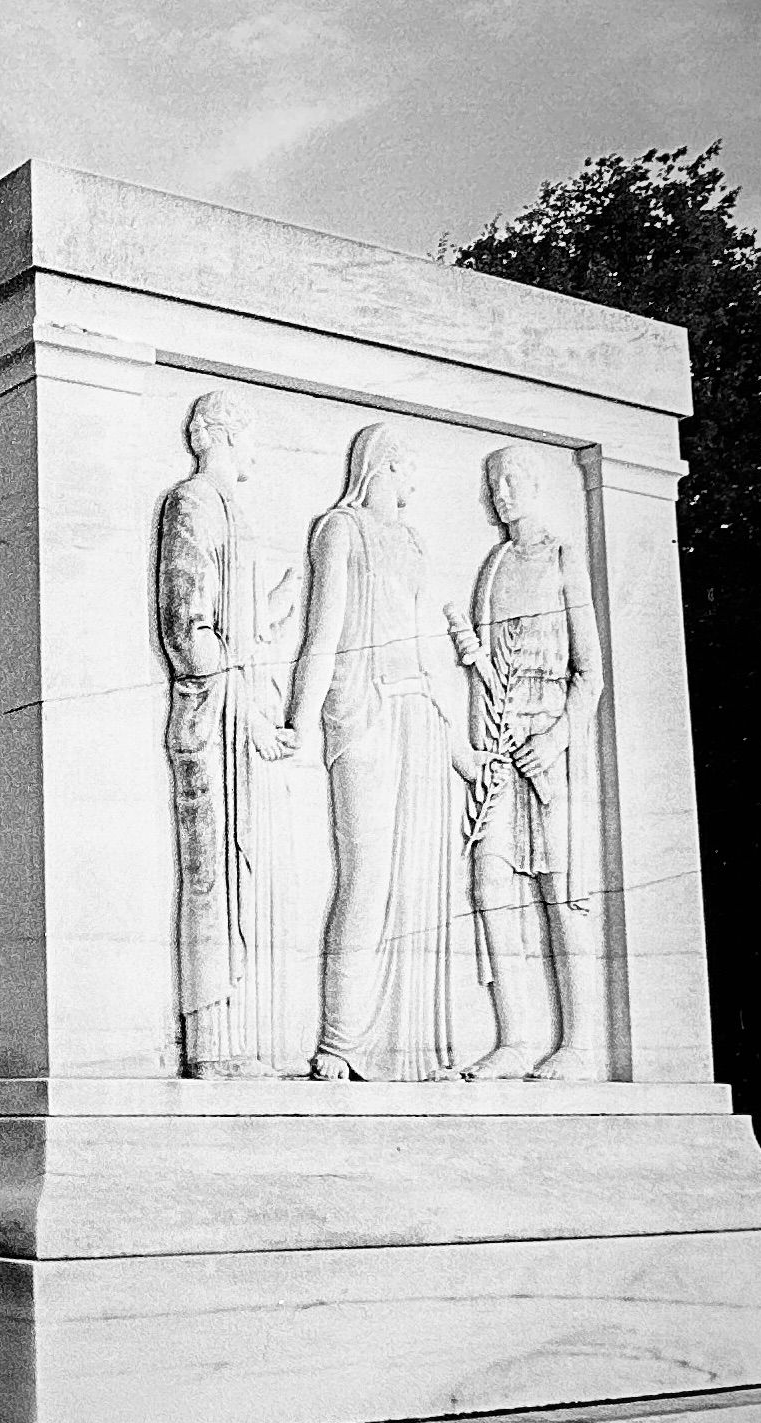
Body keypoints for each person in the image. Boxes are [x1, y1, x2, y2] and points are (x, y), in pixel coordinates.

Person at [283, 423, 473, 1081]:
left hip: (418, 715)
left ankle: (409, 1050)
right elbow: (324, 629)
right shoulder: (340, 529)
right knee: (363, 877)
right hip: (361, 710)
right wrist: (298, 720)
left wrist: (460, 751)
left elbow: (424, 645)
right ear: (383, 465)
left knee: (416, 881)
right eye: (406, 468)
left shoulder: (413, 541)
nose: (413, 482)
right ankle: (338, 1041)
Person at [156, 392, 302, 1076]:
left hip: (240, 712)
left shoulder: (230, 509)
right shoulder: (191, 501)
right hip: (211, 719)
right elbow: (188, 628)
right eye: (248, 434)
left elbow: (240, 627)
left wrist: (280, 601)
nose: (255, 449)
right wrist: (244, 706)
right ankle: (211, 1043)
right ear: (221, 434)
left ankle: (244, 1035)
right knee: (210, 874)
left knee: (242, 871)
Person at [453, 447, 605, 1078]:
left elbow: (589, 672)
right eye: (494, 485)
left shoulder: (562, 558)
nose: (502, 494)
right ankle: (516, 1037)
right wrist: (482, 746)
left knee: (558, 893)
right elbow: (480, 677)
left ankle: (580, 1043)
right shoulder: (495, 564)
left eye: (512, 481)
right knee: (490, 883)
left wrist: (560, 736)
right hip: (500, 745)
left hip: (550, 745)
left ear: (536, 486)